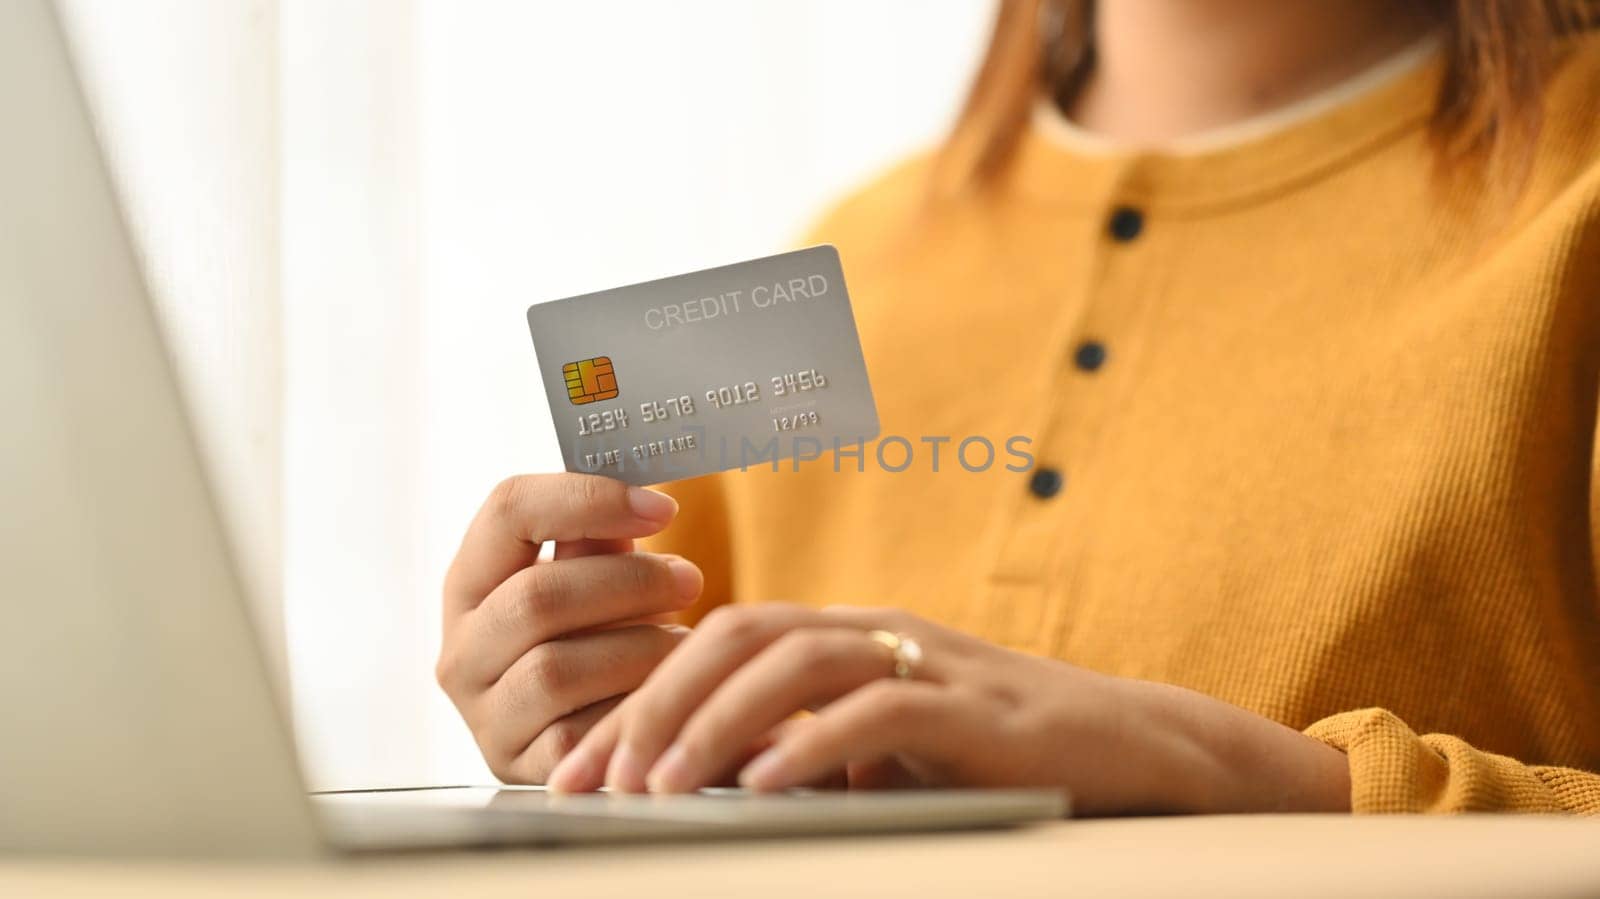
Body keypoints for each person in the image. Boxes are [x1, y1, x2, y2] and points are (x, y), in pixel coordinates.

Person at [436, 0, 1600, 814]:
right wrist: (572, 720)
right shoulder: (844, 251)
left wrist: (1247, 773)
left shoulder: (1576, 201)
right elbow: (661, 745)